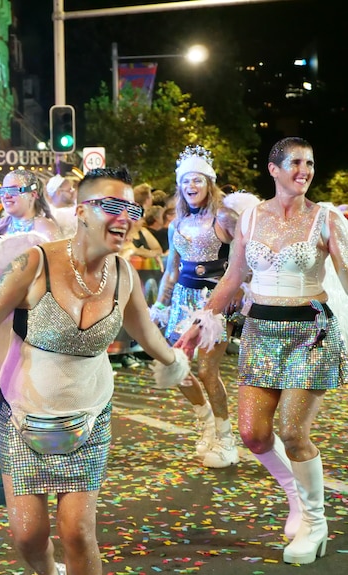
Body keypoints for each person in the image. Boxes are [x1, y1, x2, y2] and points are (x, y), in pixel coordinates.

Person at [0, 167, 188, 575]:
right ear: (81, 211)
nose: (125, 218)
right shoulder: (34, 263)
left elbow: (147, 333)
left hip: (89, 415)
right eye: (112, 206)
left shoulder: (124, 274)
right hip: (24, 416)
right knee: (28, 536)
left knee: (78, 533)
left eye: (131, 208)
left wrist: (176, 362)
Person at [177, 137, 343, 565]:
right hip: (260, 334)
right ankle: (296, 496)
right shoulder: (251, 217)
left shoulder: (325, 218)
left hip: (310, 334)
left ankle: (316, 522)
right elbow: (232, 279)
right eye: (295, 163)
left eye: (309, 162)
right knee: (252, 434)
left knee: (291, 430)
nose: (304, 170)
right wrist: (201, 322)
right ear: (274, 170)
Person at [154, 145, 241, 468]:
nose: (191, 186)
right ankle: (204, 420)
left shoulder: (224, 217)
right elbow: (171, 269)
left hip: (214, 301)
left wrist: (240, 290)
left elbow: (244, 260)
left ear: (209, 184)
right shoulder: (176, 224)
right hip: (182, 299)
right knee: (173, 364)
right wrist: (160, 306)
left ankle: (225, 435)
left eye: (198, 181)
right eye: (186, 181)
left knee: (207, 371)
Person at [0, 168, 61, 254]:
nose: (6, 196)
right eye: (3, 191)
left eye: (14, 190)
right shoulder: (3, 225)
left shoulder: (44, 227)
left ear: (33, 194)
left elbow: (58, 263)